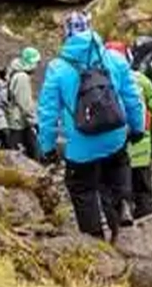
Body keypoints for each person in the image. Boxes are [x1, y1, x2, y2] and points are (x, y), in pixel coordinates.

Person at [37, 12, 146, 242]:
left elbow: (47, 113)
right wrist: (137, 128)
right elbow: (132, 98)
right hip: (114, 135)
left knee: (81, 188)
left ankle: (95, 240)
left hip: (80, 144)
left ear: (66, 34)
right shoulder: (114, 59)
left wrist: (46, 147)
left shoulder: (58, 68)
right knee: (117, 167)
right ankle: (123, 205)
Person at [107, 41, 152, 222]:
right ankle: (150, 236)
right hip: (141, 144)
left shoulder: (101, 80)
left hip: (113, 146)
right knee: (143, 191)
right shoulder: (142, 80)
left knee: (116, 189)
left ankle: (119, 232)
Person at [5, 46, 42, 159]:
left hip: (14, 120)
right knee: (26, 155)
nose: (37, 66)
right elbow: (25, 104)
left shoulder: (14, 73)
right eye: (36, 62)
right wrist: (34, 121)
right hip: (19, 123)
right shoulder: (22, 77)